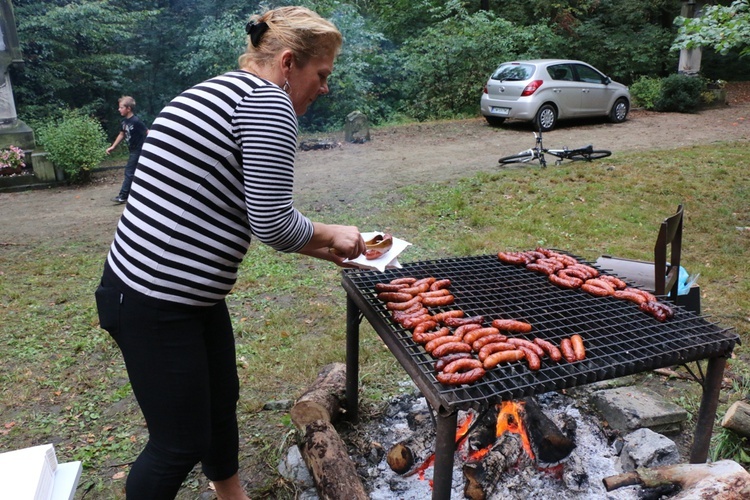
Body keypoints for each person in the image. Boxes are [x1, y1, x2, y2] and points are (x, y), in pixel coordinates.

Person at [94, 6, 365, 499]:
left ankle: (231, 497)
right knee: (177, 444)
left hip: (172, 294)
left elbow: (230, 210)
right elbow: (273, 224)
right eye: (321, 74)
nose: (325, 87)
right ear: (288, 63)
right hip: (155, 301)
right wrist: (335, 232)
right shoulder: (268, 104)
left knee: (221, 404)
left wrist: (324, 250)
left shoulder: (219, 89)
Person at [106, 95, 148, 204]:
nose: (119, 109)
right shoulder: (124, 122)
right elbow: (121, 134)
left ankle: (123, 196)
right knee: (138, 172)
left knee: (129, 172)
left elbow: (147, 132)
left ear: (128, 108)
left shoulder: (136, 121)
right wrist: (113, 146)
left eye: (121, 107)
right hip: (132, 150)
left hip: (139, 151)